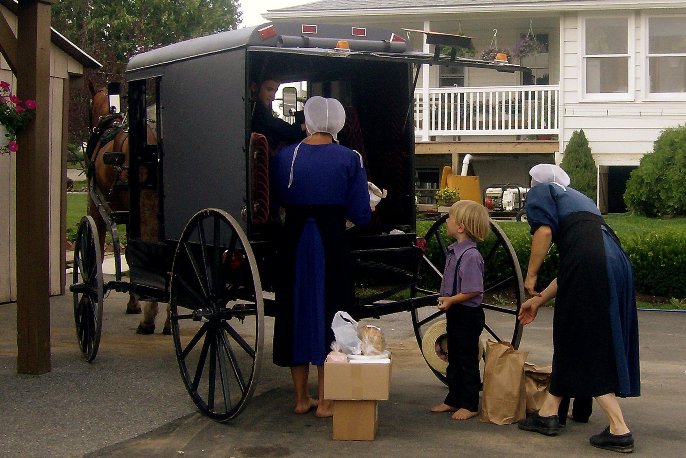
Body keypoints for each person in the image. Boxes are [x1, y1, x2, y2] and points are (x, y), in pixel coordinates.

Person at [517, 164, 640, 453]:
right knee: (571, 336)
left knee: (587, 341)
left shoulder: (541, 192)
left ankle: (619, 428)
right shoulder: (579, 201)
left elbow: (544, 232)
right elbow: (576, 267)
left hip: (590, 265)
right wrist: (539, 300)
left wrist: (531, 275)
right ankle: (548, 413)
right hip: (613, 261)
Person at [270, 96, 372, 417]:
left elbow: (277, 202)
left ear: (307, 122)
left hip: (294, 240)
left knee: (295, 311)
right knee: (333, 312)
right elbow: (360, 213)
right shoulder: (349, 158)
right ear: (338, 124)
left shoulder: (285, 156)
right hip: (331, 242)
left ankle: (301, 399)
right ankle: (326, 401)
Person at [430, 199, 490, 421]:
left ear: (461, 227)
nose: (448, 220)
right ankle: (453, 399)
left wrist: (451, 300)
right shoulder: (455, 252)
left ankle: (470, 403)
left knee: (466, 359)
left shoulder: (471, 256)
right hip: (456, 312)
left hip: (467, 314)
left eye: (451, 217)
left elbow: (474, 290)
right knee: (454, 357)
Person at [250, 78, 306, 149]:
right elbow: (277, 127)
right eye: (269, 90)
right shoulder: (257, 114)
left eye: (275, 91)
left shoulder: (260, 113)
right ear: (254, 87)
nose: (273, 97)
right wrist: (305, 126)